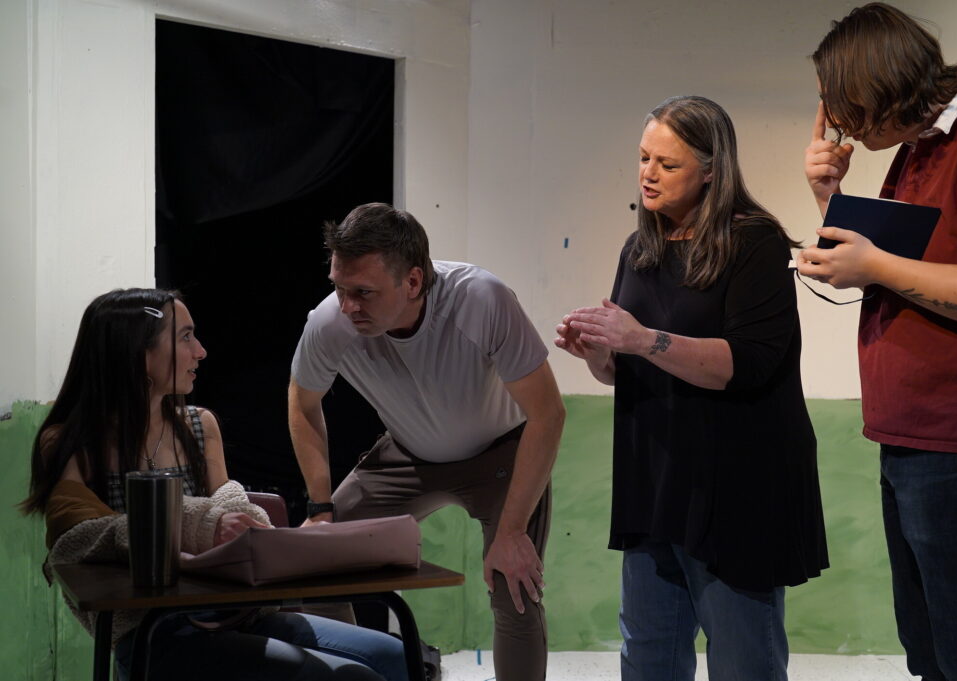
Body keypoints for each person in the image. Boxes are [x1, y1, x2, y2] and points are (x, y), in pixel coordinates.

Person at [556, 96, 828, 681]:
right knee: (649, 660)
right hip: (654, 480)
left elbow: (747, 364)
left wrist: (643, 338)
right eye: (643, 158)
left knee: (744, 663)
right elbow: (620, 371)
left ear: (711, 169)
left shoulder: (753, 243)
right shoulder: (641, 249)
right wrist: (600, 352)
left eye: (667, 164)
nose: (648, 174)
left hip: (736, 486)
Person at [798, 4, 957, 680]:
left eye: (847, 110)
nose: (841, 125)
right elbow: (901, 275)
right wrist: (829, 199)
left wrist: (875, 266)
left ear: (882, 87)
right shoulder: (923, 146)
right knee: (933, 652)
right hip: (916, 441)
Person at [21, 288, 407, 681]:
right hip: (157, 633)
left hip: (236, 616)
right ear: (140, 352)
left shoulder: (199, 426)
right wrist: (204, 524)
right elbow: (74, 543)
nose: (200, 351)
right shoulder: (72, 442)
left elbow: (232, 510)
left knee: (394, 653)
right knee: (353, 677)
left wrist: (241, 524)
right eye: (185, 337)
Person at [288, 203, 565, 681]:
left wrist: (513, 532)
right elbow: (302, 403)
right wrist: (319, 508)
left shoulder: (481, 300)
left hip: (501, 453)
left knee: (513, 584)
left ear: (412, 282)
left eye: (364, 292)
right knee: (317, 562)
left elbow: (548, 414)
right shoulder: (330, 322)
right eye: (339, 287)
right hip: (407, 456)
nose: (348, 305)